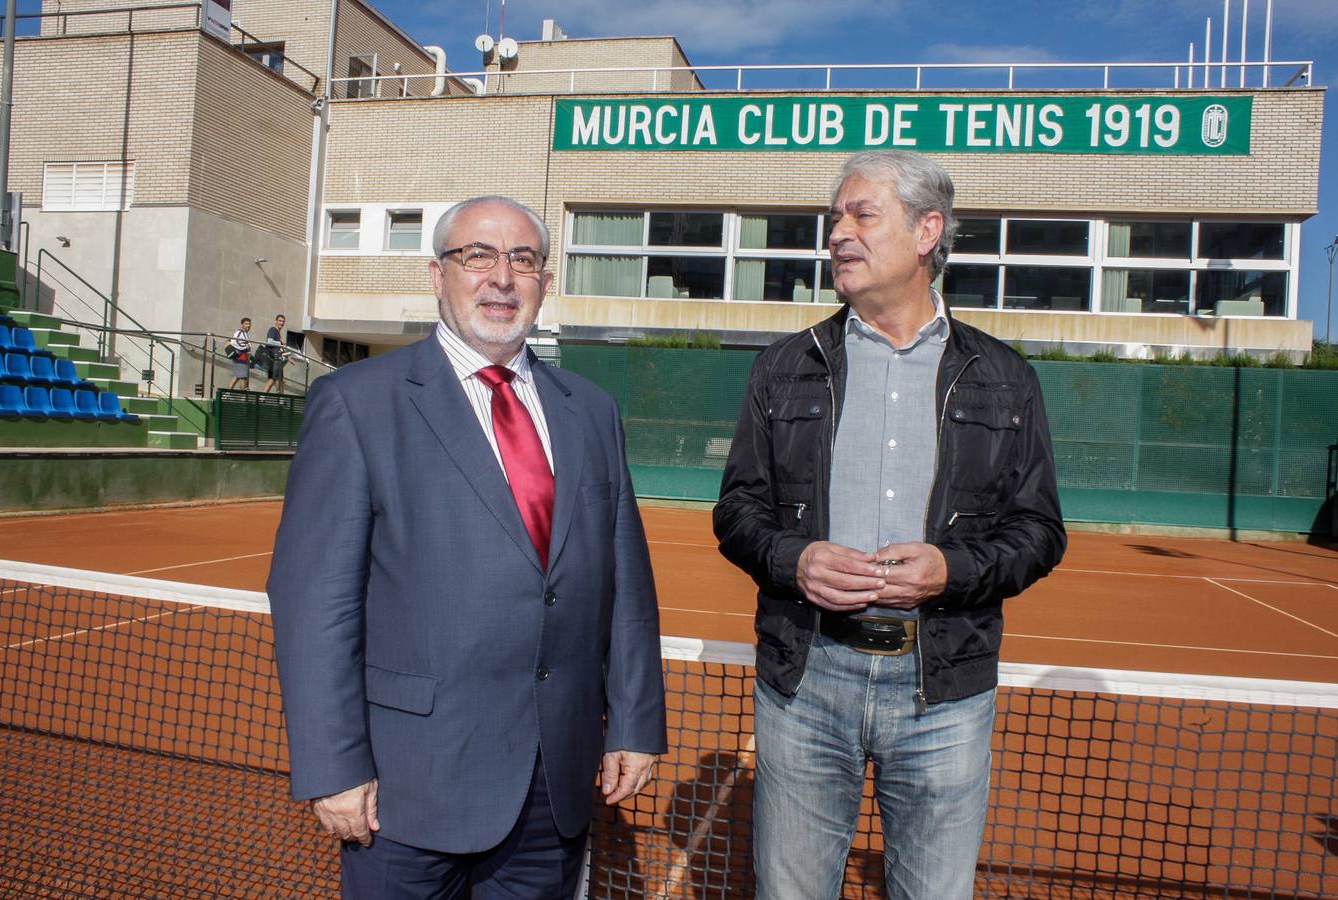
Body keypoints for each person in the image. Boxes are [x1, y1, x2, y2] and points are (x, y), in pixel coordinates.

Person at [267, 195, 666, 899]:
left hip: (554, 783)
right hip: (406, 787)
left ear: (545, 279)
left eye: (523, 260)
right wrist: (333, 766)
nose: (501, 278)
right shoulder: (358, 402)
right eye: (477, 255)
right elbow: (314, 603)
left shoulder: (590, 410)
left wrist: (633, 721)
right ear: (437, 273)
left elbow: (624, 585)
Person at [712, 150, 1066, 900]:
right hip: (804, 681)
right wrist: (791, 559)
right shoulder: (781, 367)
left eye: (860, 214)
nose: (837, 233)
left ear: (926, 231)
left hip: (942, 689)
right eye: (833, 218)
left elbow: (1037, 531)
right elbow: (738, 511)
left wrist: (952, 571)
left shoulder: (1005, 377)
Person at [264, 313, 288, 393]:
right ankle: (261, 397)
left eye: (283, 321)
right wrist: (280, 343)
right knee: (273, 379)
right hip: (274, 359)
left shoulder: (278, 333)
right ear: (276, 321)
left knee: (280, 380)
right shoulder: (273, 330)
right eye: (280, 321)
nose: (282, 323)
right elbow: (269, 341)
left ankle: (280, 399)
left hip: (278, 359)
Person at [228, 317, 252, 390]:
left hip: (243, 357)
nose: (248, 325)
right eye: (246, 324)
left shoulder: (245, 333)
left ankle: (226, 394)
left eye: (249, 324)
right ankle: (242, 396)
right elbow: (234, 342)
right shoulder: (239, 332)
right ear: (242, 325)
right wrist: (246, 346)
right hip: (240, 357)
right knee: (242, 377)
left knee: (237, 376)